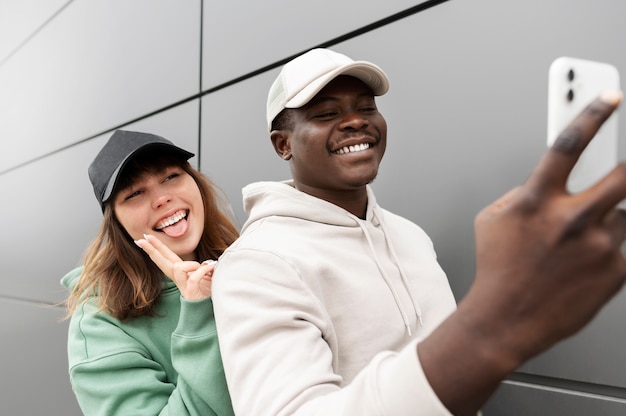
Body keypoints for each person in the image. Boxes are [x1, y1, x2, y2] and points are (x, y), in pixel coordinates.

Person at [208, 48, 626, 415]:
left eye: (366, 107)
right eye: (327, 114)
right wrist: (492, 325)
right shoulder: (257, 263)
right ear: (283, 145)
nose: (355, 121)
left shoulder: (411, 235)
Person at [61, 129, 239, 415]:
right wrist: (199, 314)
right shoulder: (99, 324)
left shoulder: (249, 259)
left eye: (171, 176)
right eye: (135, 193)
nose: (162, 198)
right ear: (116, 223)